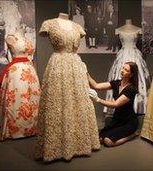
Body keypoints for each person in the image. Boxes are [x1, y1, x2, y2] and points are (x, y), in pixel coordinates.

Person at [35, 13, 100, 162]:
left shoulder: (78, 27)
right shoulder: (48, 24)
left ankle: (80, 145)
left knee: (78, 103)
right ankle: (55, 148)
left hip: (76, 65)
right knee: (57, 103)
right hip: (57, 65)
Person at [87, 62, 139, 147]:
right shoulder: (116, 83)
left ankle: (132, 135)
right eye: (123, 68)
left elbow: (116, 104)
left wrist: (98, 100)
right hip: (117, 119)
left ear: (131, 75)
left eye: (126, 70)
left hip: (129, 122)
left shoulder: (131, 89)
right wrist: (86, 73)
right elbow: (96, 86)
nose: (122, 71)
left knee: (108, 142)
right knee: (99, 138)